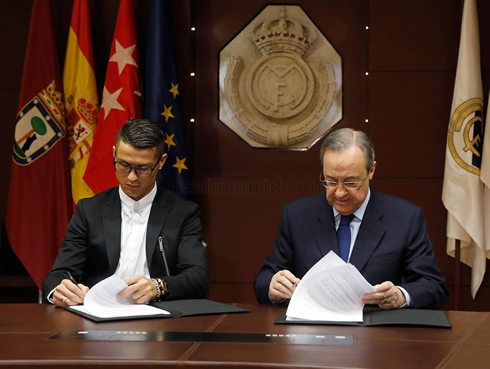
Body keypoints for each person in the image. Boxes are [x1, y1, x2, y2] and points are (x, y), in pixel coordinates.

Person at [254, 128, 449, 310]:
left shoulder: (405, 218)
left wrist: (400, 295)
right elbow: (264, 278)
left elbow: (434, 286)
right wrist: (273, 288)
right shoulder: (297, 215)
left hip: (377, 336)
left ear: (371, 171)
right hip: (311, 333)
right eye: (330, 181)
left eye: (350, 182)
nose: (339, 193)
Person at [42, 119, 209, 306]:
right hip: (98, 319)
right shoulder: (89, 210)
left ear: (161, 162)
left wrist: (158, 286)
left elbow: (198, 277)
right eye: (123, 165)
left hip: (158, 318)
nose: (131, 176)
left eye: (143, 168)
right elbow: (57, 275)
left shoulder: (183, 212)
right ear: (114, 154)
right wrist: (60, 290)